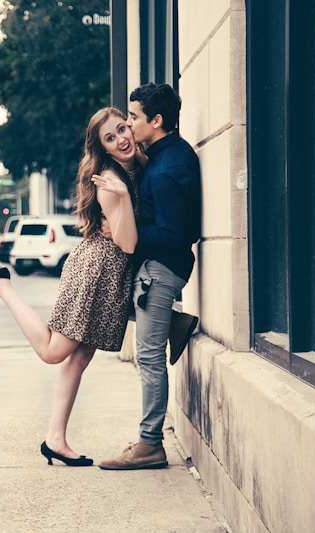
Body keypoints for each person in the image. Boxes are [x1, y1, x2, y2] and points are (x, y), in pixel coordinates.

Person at [0, 107, 142, 467]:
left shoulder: (136, 166)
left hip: (109, 274)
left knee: (81, 355)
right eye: (110, 137)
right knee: (53, 351)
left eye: (123, 128)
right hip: (95, 270)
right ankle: (1, 286)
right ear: (102, 148)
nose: (121, 138)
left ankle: (55, 439)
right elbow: (129, 244)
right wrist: (121, 196)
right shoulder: (109, 179)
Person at [98, 83, 202, 471]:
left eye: (135, 117)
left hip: (162, 271)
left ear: (156, 121)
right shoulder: (169, 155)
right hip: (162, 270)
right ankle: (176, 323)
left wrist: (127, 232)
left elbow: (175, 234)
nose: (129, 123)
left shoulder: (165, 169)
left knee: (149, 357)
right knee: (148, 349)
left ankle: (149, 443)